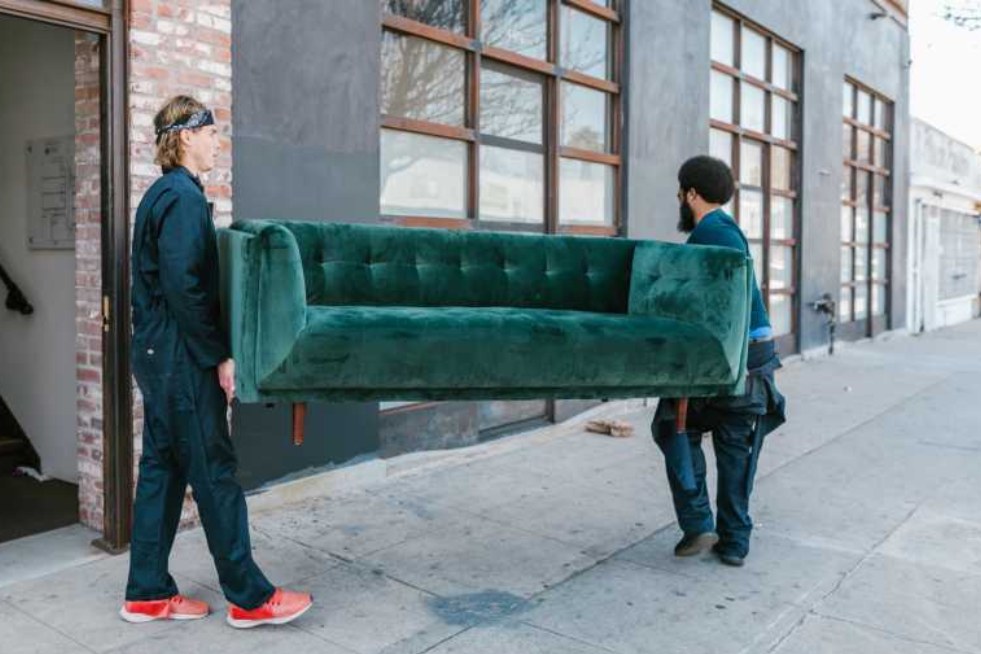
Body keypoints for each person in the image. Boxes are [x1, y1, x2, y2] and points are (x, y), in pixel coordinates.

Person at [121, 95, 312, 628]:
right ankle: (250, 597)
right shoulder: (180, 198)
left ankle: (147, 592)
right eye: (209, 133)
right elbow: (185, 288)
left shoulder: (162, 195)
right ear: (185, 137)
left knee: (163, 468)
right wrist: (219, 355)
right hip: (181, 358)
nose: (215, 142)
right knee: (215, 471)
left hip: (157, 354)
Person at [652, 156, 787, 567]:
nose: (678, 197)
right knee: (733, 446)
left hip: (729, 359)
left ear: (691, 193)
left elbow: (714, 303)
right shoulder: (726, 230)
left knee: (673, 427)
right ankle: (734, 542)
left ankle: (698, 523)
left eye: (680, 190)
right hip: (755, 359)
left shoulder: (713, 233)